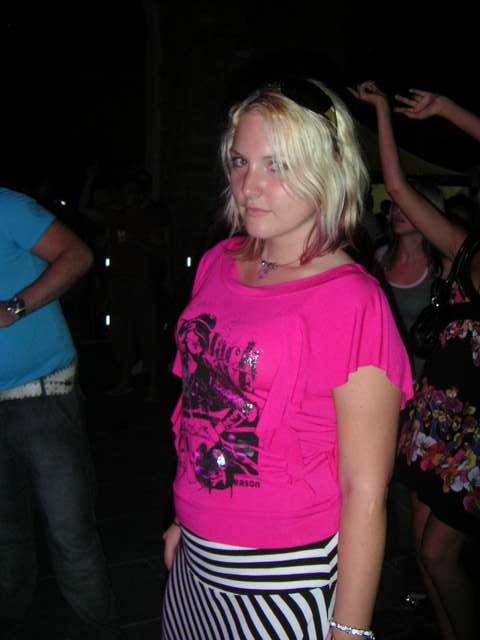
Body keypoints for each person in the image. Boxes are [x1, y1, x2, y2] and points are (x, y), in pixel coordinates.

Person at [161, 79, 412, 640]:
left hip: (282, 575)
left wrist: (349, 630)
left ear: (327, 170)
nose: (249, 185)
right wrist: (183, 518)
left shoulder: (352, 300)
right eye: (240, 161)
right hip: (194, 559)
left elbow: (365, 491)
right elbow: (195, 408)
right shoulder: (217, 263)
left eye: (277, 166)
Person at [352, 80, 480, 640]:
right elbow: (399, 190)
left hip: (475, 433)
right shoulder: (463, 245)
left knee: (438, 555)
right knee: (426, 557)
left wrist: (450, 108)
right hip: (433, 417)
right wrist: (385, 110)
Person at [0, 187, 119, 639]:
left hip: (42, 394)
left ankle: (98, 631)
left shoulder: (6, 206)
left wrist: (15, 307)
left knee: (70, 536)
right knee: (6, 539)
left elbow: (77, 255)